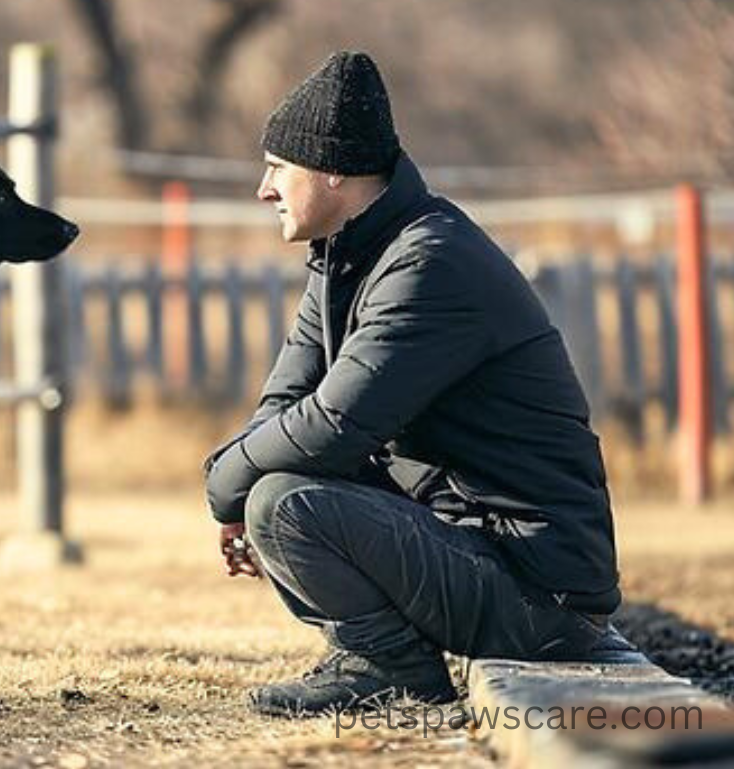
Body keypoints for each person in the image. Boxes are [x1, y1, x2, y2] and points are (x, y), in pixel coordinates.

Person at [203, 50, 634, 718]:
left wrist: (222, 488)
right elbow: (284, 403)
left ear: (334, 170)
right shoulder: (347, 258)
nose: (264, 190)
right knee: (271, 488)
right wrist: (236, 478)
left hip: (539, 593)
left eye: (277, 168)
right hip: (482, 554)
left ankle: (389, 667)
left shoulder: (430, 263)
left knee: (279, 503)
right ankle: (380, 657)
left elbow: (333, 426)